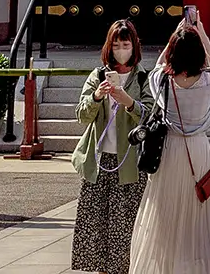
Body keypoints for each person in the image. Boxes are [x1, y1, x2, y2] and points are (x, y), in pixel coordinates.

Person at [133, 4, 210, 274]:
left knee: (164, 210)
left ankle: (165, 266)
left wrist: (176, 34)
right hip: (198, 149)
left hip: (170, 148)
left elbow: (159, 65)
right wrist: (201, 31)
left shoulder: (163, 80)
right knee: (197, 214)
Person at [73, 15, 149, 274]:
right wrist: (97, 96)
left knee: (126, 223)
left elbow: (151, 115)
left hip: (130, 162)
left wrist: (129, 102)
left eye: (125, 46)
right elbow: (82, 115)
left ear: (134, 47)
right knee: (96, 225)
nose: (121, 51)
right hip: (99, 159)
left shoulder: (142, 78)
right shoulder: (98, 75)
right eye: (116, 46)